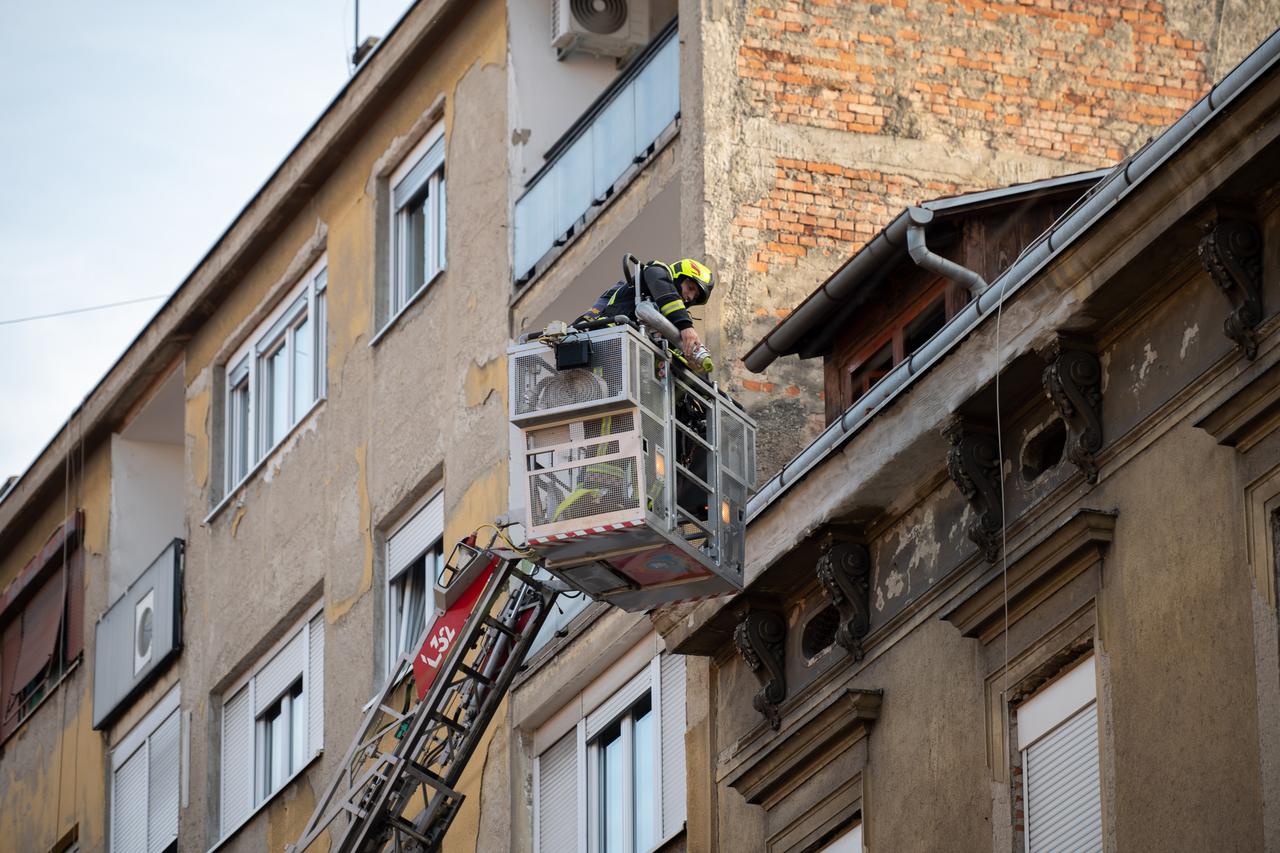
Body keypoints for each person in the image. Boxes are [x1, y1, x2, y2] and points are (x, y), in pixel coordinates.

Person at [573, 258, 715, 362]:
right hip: (607, 340)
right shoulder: (656, 271)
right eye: (690, 288)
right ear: (677, 277)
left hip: (631, 361)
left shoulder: (672, 321)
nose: (690, 297)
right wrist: (685, 326)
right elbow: (661, 285)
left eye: (695, 296)